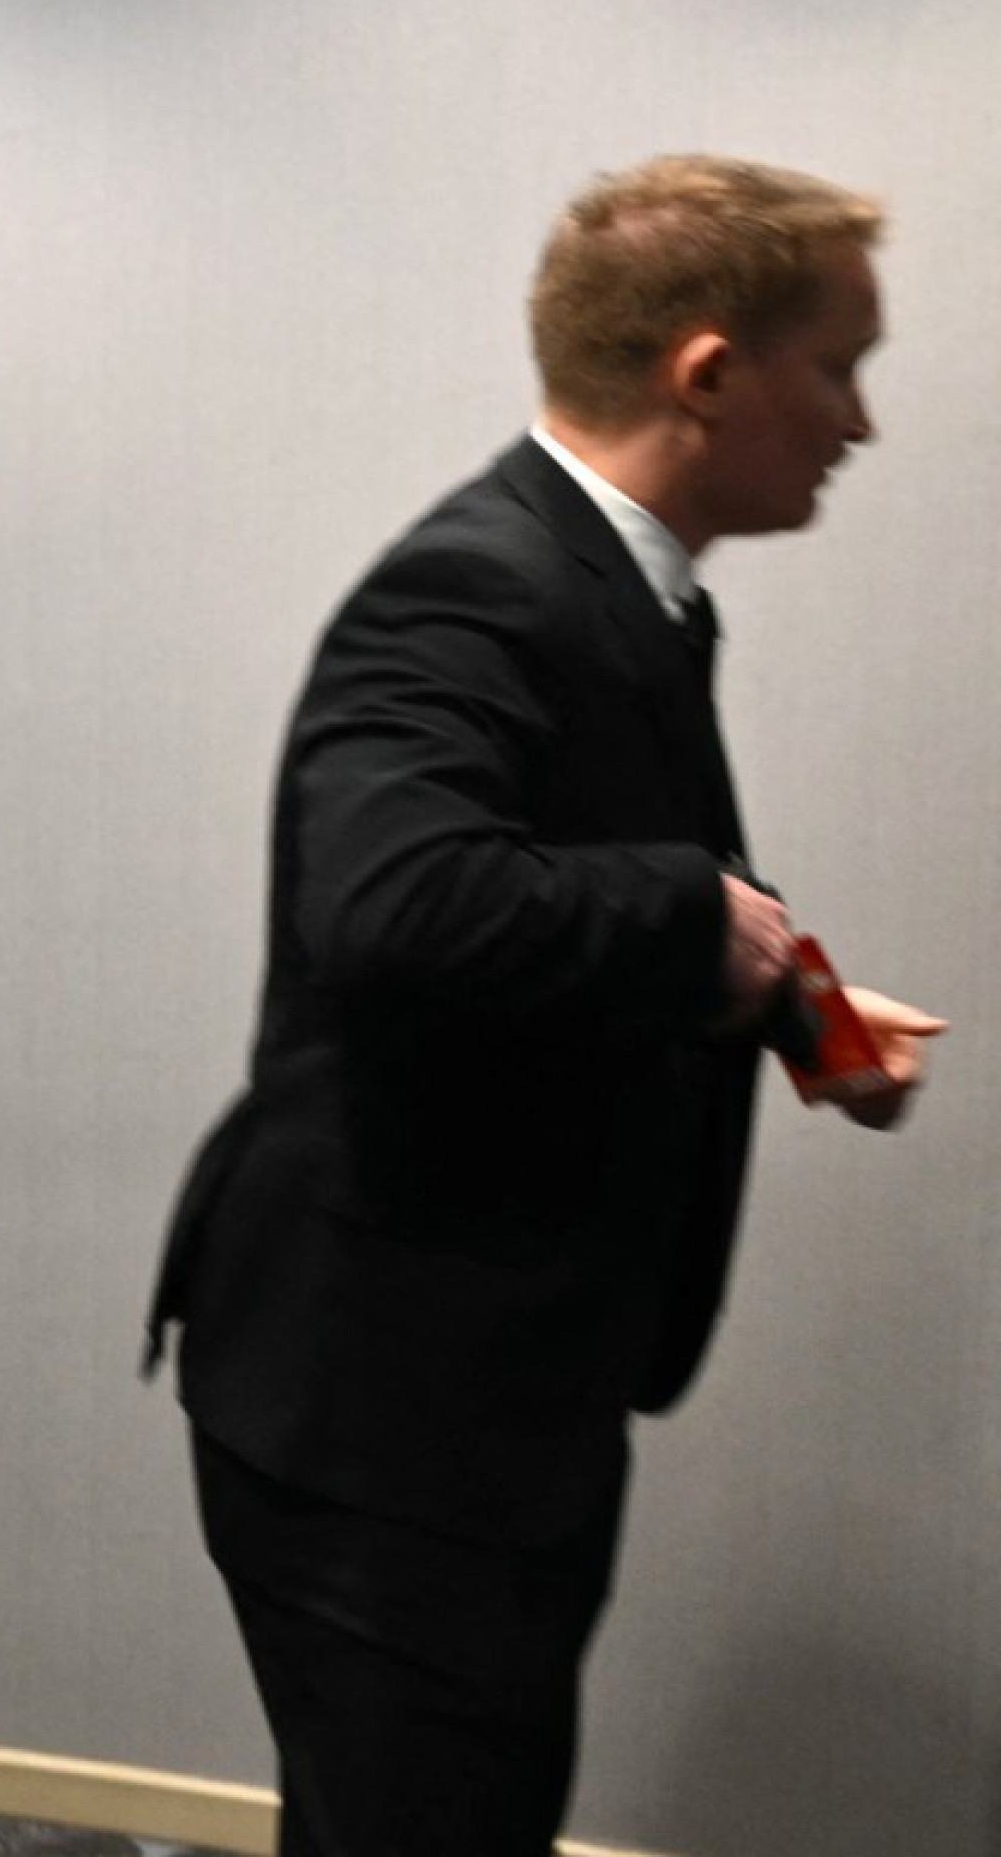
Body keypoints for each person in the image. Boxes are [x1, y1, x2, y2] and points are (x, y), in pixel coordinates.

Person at [142, 154, 947, 1856]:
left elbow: (606, 877)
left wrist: (804, 1016)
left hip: (480, 1386)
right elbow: (395, 900)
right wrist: (699, 932)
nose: (860, 423)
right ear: (710, 372)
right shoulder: (478, 584)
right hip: (385, 1408)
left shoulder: (612, 589)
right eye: (839, 368)